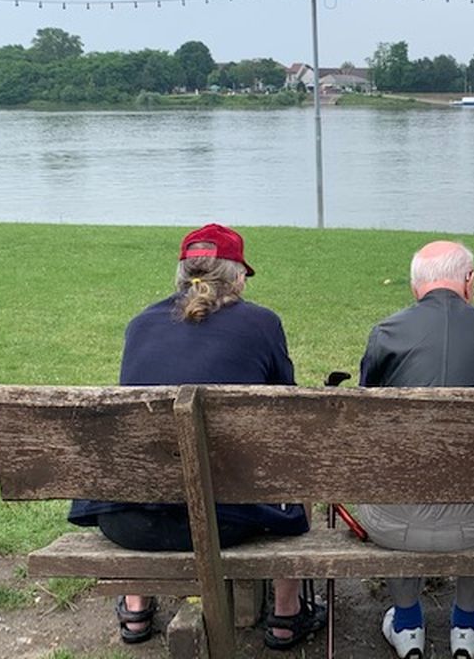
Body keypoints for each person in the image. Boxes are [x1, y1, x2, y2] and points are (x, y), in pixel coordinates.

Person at [67, 223, 326, 650]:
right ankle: (286, 612)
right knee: (292, 452)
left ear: (181, 275)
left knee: (145, 456)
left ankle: (135, 607)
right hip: (227, 523)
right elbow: (286, 413)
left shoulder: (140, 325)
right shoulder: (262, 324)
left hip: (130, 522)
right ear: (236, 277)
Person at [356, 240, 474, 659]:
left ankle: (407, 623)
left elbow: (365, 426)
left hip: (394, 524)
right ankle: (467, 624)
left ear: (416, 287)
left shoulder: (385, 334)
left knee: (392, 478)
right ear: (470, 281)